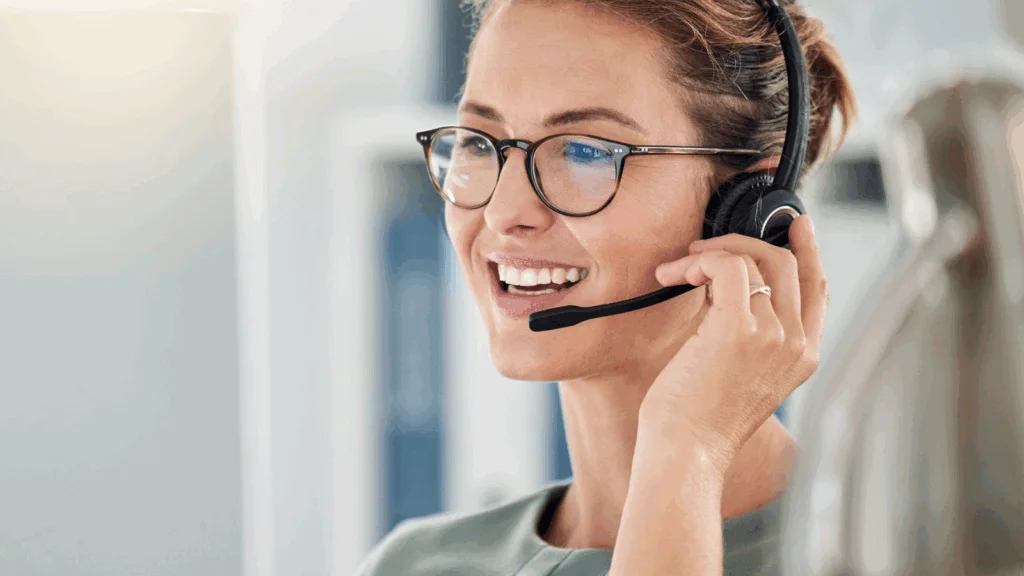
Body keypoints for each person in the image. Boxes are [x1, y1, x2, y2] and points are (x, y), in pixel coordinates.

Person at [359, 0, 855, 573]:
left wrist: (688, 446)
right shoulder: (412, 564)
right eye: (478, 141)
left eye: (585, 151)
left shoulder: (877, 552)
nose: (503, 212)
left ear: (746, 209)